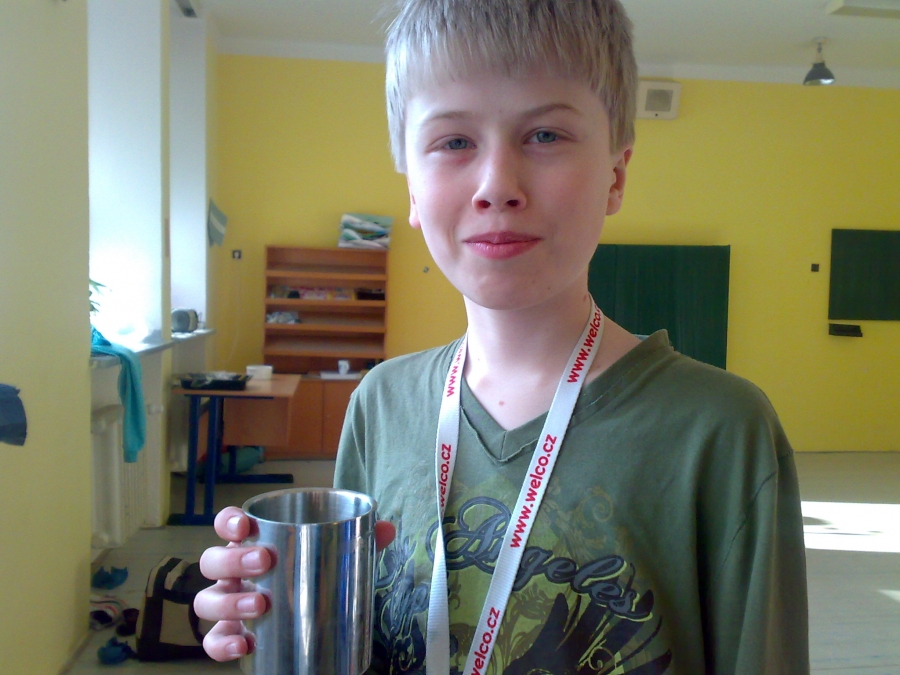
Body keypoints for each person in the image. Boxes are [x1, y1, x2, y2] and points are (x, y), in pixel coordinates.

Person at [194, 0, 810, 673]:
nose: (497, 186)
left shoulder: (720, 430)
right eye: (454, 142)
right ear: (411, 187)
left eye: (545, 135)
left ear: (615, 175)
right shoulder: (381, 402)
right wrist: (285, 616)